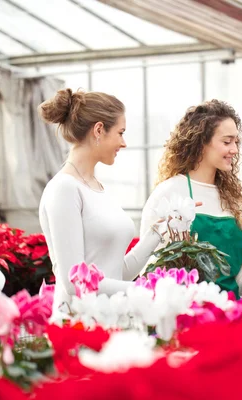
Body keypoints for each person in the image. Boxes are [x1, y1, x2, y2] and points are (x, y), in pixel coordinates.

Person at [141, 99, 242, 298]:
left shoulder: (234, 200)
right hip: (186, 320)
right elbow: (150, 272)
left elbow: (240, 280)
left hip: (231, 320)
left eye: (236, 142)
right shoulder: (168, 194)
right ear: (201, 142)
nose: (235, 150)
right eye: (226, 141)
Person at [38, 89, 163, 311]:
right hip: (79, 326)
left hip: (110, 319)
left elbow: (117, 272)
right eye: (120, 132)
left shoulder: (98, 188)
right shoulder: (64, 188)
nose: (123, 143)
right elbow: (75, 283)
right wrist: (146, 291)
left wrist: (158, 232)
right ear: (99, 129)